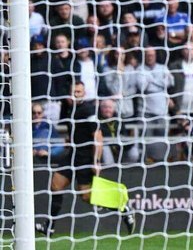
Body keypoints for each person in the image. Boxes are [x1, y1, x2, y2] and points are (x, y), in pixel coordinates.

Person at [35, 82, 134, 236]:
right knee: (55, 185)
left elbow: (97, 136)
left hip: (85, 157)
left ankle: (123, 209)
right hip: (72, 154)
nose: (76, 94)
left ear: (84, 93)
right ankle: (50, 227)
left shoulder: (88, 110)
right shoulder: (68, 108)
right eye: (74, 91)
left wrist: (96, 161)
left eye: (79, 91)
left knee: (86, 196)